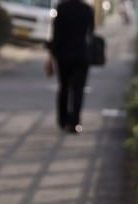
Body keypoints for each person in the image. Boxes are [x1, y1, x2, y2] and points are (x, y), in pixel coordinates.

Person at [49, 0, 94, 134]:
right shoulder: (87, 9)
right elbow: (91, 30)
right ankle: (75, 122)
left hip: (63, 54)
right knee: (78, 89)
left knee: (64, 87)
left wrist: (52, 54)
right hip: (81, 54)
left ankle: (63, 120)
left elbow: (56, 33)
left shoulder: (61, 8)